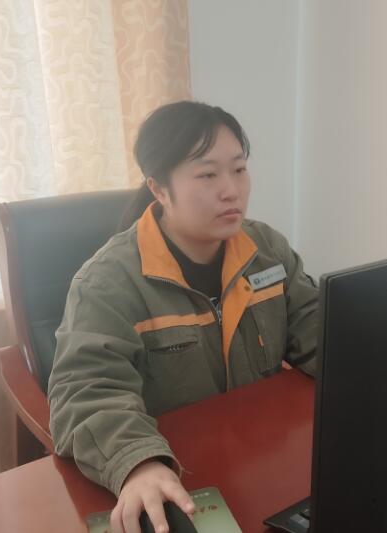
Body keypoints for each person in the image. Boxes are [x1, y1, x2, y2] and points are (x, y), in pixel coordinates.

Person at [48, 101, 318, 533]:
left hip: (261, 461)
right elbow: (85, 392)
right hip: (177, 471)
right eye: (208, 175)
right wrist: (139, 463)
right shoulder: (107, 282)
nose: (231, 190)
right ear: (158, 188)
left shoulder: (266, 249)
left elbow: (320, 330)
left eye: (239, 169)